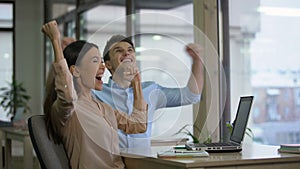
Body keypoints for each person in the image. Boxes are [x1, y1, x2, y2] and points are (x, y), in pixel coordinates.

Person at [42, 20, 148, 169]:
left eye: (102, 61)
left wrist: (136, 83)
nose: (103, 66)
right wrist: (55, 42)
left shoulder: (104, 109)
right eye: (95, 60)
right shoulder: (68, 110)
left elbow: (138, 125)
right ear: (75, 71)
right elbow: (67, 96)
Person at [92, 35, 204, 148]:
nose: (126, 53)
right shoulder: (96, 94)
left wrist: (197, 61)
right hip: (110, 163)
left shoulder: (151, 90)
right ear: (108, 64)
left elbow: (191, 96)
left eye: (130, 50)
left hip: (143, 162)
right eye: (119, 51)